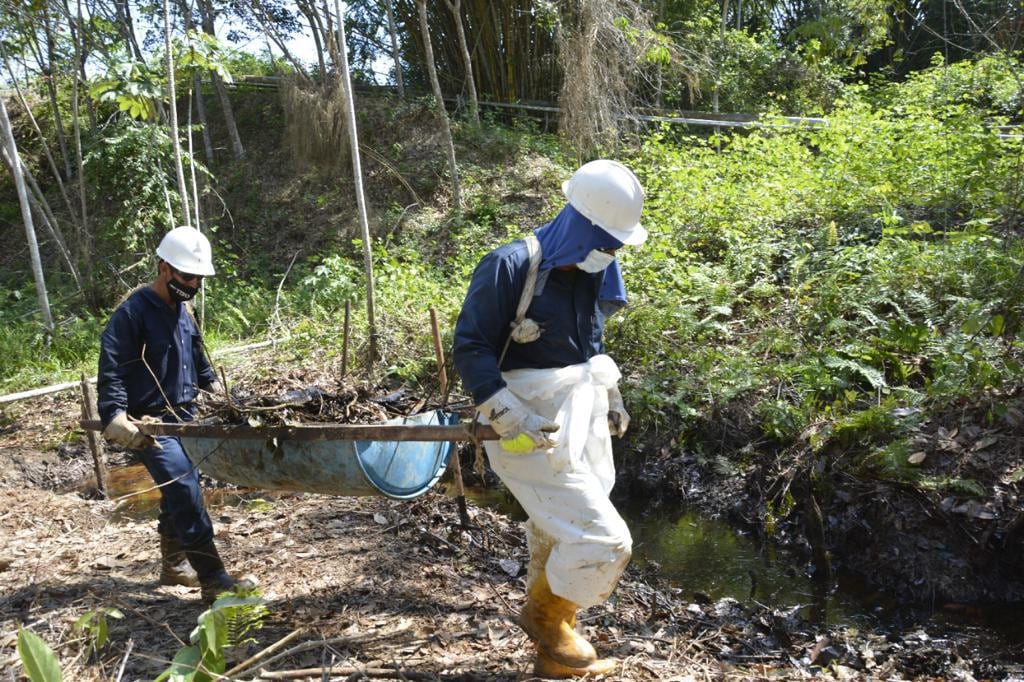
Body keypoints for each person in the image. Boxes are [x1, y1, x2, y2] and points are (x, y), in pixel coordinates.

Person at [452, 159, 646, 678]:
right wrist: (504, 410)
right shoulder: (511, 266)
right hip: (525, 421)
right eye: (606, 241)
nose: (611, 254)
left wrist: (610, 397)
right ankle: (544, 617)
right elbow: (470, 344)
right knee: (604, 539)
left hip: (578, 409)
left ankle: (554, 660)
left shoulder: (590, 270)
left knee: (556, 528)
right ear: (580, 227)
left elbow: (591, 344)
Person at [97, 225, 252, 604]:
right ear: (164, 268)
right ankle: (213, 577)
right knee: (184, 488)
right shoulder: (131, 314)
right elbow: (113, 366)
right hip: (150, 423)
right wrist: (114, 413)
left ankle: (172, 565)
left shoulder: (185, 312)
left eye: (198, 277)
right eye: (187, 276)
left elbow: (198, 361)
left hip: (188, 416)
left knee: (179, 491)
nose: (193, 283)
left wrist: (214, 390)